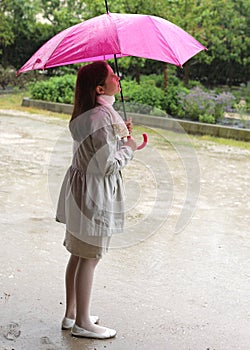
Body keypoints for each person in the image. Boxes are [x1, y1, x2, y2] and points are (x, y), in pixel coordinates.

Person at [56, 61, 137, 339]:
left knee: (79, 254)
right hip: (94, 196)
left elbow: (95, 148)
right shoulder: (102, 117)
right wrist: (129, 148)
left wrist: (118, 134)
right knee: (90, 257)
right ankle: (83, 324)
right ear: (100, 88)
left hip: (81, 193)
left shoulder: (91, 113)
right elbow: (106, 165)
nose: (118, 77)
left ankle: (71, 315)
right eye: (112, 75)